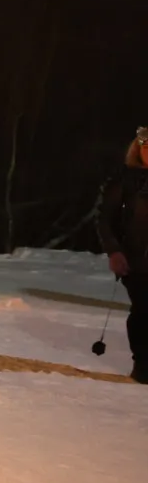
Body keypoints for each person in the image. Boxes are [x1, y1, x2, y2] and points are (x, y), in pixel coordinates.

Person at [97, 127, 148, 384]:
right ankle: (143, 365)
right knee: (144, 309)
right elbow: (105, 219)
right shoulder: (124, 181)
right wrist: (115, 251)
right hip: (136, 261)